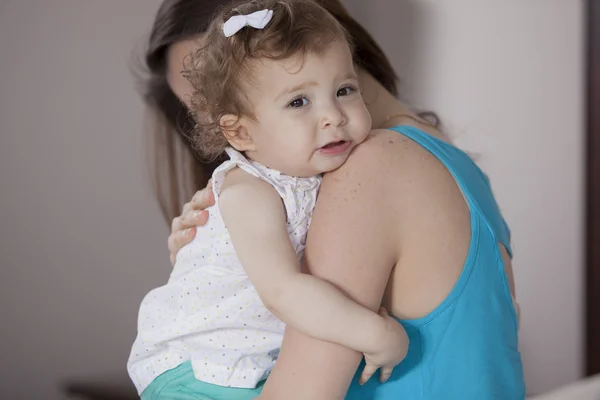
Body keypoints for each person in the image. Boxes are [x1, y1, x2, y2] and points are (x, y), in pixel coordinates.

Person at [139, 0, 526, 398]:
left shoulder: (371, 168)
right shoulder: (448, 161)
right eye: (201, 109)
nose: (217, 125)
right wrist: (217, 255)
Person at [128, 1, 410, 398]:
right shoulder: (250, 190)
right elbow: (283, 291)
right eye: (298, 102)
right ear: (240, 133)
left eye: (344, 90)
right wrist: (373, 331)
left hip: (241, 366)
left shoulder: (323, 173)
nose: (333, 115)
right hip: (200, 369)